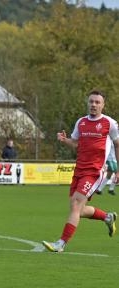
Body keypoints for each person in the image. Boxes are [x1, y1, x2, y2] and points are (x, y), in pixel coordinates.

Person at [42, 89, 119, 253]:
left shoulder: (109, 123)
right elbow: (76, 143)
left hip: (95, 171)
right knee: (78, 209)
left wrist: (118, 169)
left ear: (103, 105)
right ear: (87, 103)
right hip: (79, 170)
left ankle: (61, 243)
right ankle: (107, 217)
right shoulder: (81, 122)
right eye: (91, 101)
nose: (93, 104)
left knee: (76, 205)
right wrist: (64, 140)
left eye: (97, 102)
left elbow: (117, 144)